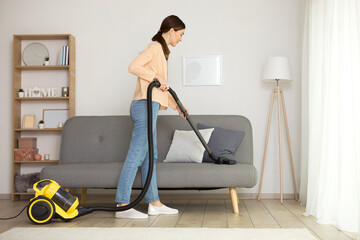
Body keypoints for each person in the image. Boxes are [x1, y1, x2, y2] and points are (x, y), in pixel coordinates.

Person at [115, 15, 187, 219]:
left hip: (151, 106)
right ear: (171, 30)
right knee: (137, 154)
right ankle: (122, 204)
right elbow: (133, 67)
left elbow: (159, 90)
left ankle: (154, 202)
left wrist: (177, 106)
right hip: (143, 106)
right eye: (180, 34)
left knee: (149, 156)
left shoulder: (163, 52)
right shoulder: (155, 47)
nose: (181, 39)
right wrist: (156, 77)